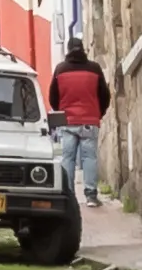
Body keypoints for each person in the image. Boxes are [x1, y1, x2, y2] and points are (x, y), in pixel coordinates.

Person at [46, 35, 111, 197]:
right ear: (83, 49)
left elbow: (53, 97)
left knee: (67, 158)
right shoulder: (94, 69)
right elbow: (105, 95)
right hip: (90, 121)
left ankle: (68, 194)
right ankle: (91, 194)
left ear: (68, 51)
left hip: (67, 121)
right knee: (89, 157)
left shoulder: (60, 69)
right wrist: (99, 113)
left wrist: (61, 112)